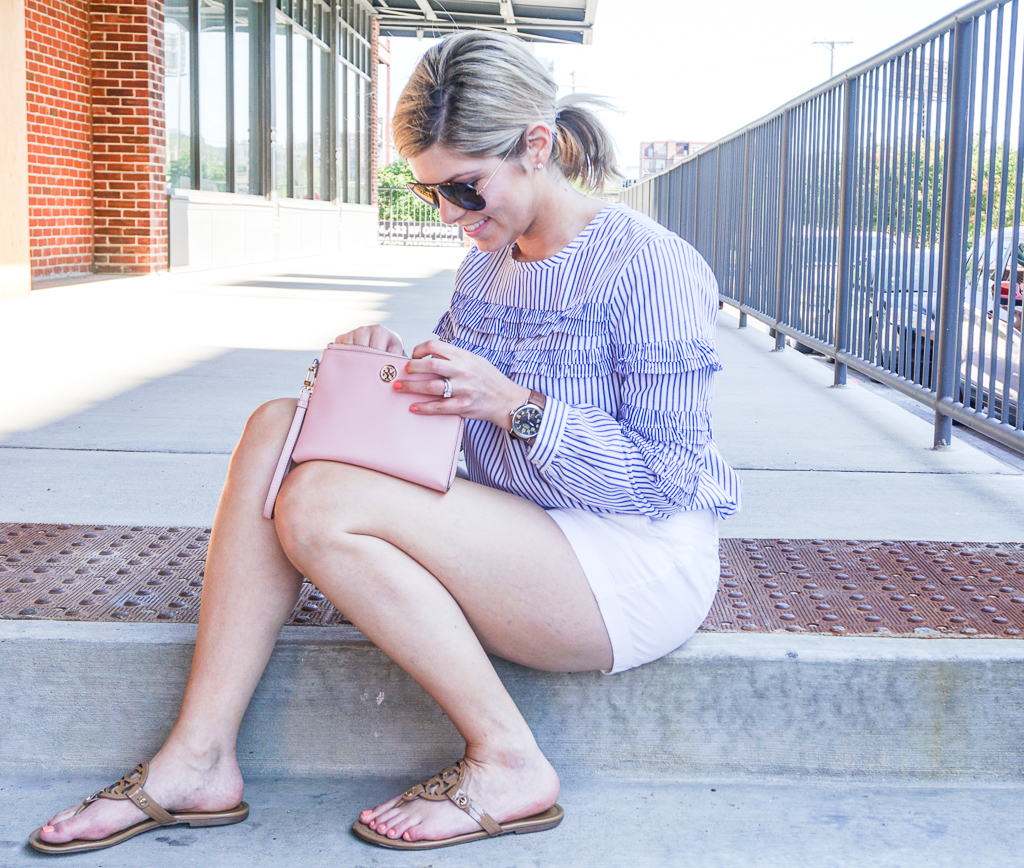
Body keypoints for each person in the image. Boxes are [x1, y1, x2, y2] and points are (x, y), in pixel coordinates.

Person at [29, 30, 741, 854]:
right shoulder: (487, 263)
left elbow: (671, 479)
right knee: (274, 428)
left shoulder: (649, 266)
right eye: (430, 191)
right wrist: (389, 369)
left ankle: (509, 761)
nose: (448, 216)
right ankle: (198, 758)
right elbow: (443, 406)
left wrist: (518, 408)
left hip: (631, 565)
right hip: (524, 532)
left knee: (321, 505)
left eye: (465, 190)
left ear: (535, 147)